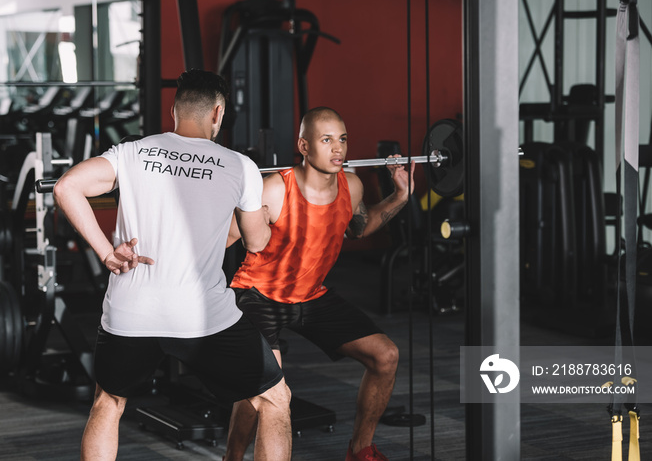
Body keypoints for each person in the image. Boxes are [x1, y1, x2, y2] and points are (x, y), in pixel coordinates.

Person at [53, 69, 291, 461]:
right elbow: (256, 241)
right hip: (201, 317)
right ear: (218, 113)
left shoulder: (132, 152)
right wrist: (260, 211)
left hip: (131, 313)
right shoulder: (240, 166)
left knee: (108, 404)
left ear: (173, 111)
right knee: (275, 400)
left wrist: (106, 251)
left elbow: (66, 187)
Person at [225, 106, 414, 461]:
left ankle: (360, 450)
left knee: (385, 355)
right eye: (326, 140)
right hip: (257, 293)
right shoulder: (274, 190)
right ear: (304, 146)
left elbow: (360, 227)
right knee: (267, 383)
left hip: (310, 296)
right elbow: (224, 240)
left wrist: (400, 196)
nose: (338, 149)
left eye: (342, 139)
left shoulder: (352, 186)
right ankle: (233, 458)